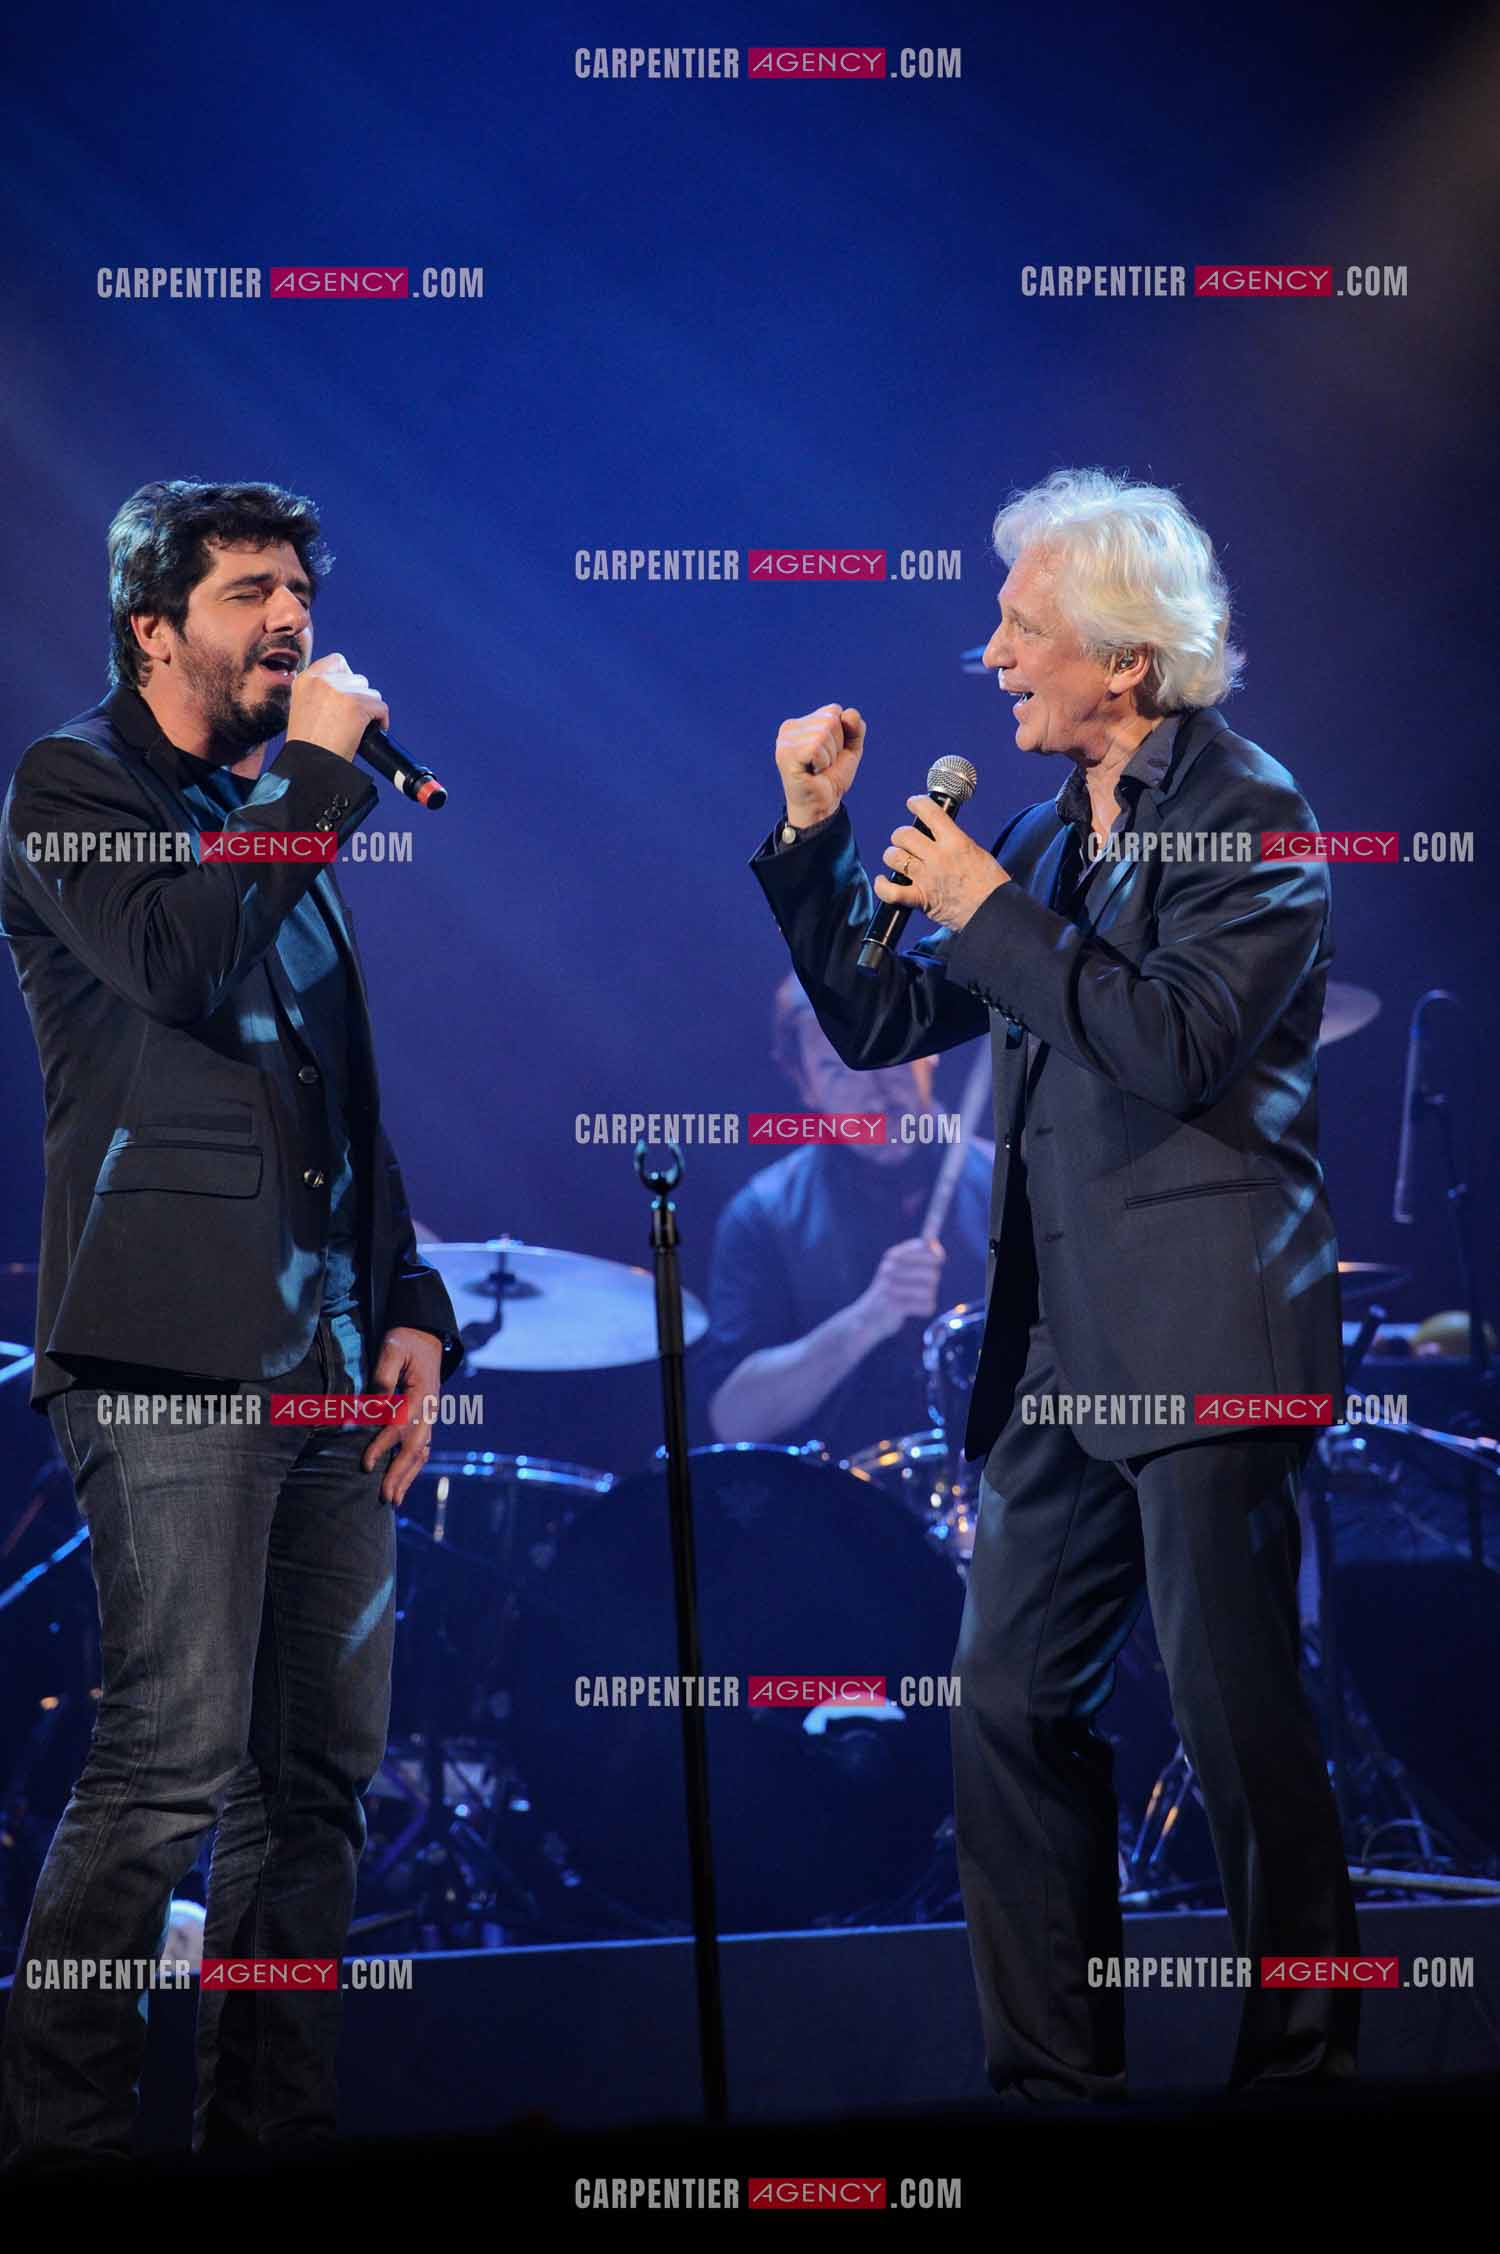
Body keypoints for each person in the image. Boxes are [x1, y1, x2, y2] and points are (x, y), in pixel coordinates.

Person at [751, 468, 1359, 2101]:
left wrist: (994, 910)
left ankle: (1302, 2064)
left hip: (1211, 1331)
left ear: (1124, 661)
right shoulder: (1033, 829)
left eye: (1023, 629)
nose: (993, 656)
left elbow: (1169, 1041)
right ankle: (1050, 2080)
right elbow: (883, 1023)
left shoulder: (1251, 813)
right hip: (1057, 1357)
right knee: (1006, 1705)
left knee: (1238, 1716)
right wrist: (818, 843)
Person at [0, 480, 462, 2168]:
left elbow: (335, 1101)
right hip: (168, 1355)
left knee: (313, 1781)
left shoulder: (285, 824)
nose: (295, 618)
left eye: (303, 588)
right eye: (254, 589)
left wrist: (410, 1302)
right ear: (152, 625)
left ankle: (273, 2128)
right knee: (164, 1765)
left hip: (331, 1359)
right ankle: (59, 2145)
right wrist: (326, 784)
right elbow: (185, 967)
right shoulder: (70, 787)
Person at [701, 973, 990, 1462]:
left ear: (929, 1048)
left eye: (889, 1053)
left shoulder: (1016, 1181)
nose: (875, 1093)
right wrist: (869, 1317)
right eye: (839, 1072)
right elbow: (734, 1419)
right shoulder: (762, 1216)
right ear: (807, 1090)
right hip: (837, 1516)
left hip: (1003, 1507)